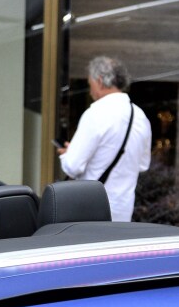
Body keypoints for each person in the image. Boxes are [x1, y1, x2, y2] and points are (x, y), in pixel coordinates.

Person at [56, 56, 151, 222]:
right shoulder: (140, 117)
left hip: (91, 213)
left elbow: (72, 166)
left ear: (99, 81)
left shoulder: (95, 114)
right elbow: (143, 164)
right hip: (123, 213)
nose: (90, 89)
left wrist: (68, 154)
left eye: (89, 83)